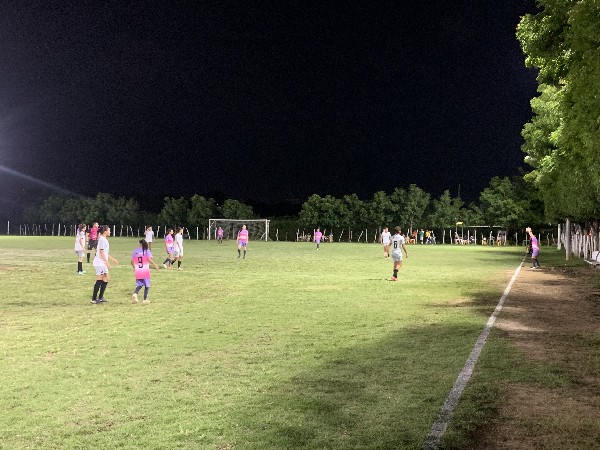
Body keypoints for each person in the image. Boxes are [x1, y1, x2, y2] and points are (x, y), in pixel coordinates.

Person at [91, 225, 119, 304]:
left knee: (106, 278)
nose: (110, 231)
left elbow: (105, 252)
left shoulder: (103, 239)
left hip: (102, 262)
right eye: (109, 230)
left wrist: (112, 259)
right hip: (100, 263)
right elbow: (101, 252)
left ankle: (100, 297)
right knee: (99, 279)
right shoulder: (102, 240)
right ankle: (94, 299)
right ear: (105, 232)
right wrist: (107, 262)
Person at [131, 239, 160, 304]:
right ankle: (145, 299)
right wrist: (155, 265)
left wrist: (135, 267)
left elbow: (131, 261)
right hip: (145, 270)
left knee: (139, 284)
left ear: (139, 244)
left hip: (138, 270)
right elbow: (149, 259)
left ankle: (135, 293)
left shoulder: (135, 251)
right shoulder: (146, 251)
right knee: (147, 285)